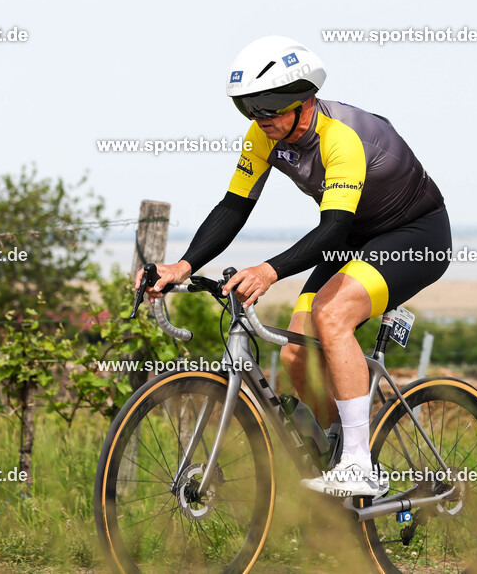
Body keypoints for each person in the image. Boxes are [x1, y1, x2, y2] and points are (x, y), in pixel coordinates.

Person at [135, 35, 450, 498]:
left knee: (331, 316)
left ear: (306, 102)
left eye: (270, 110)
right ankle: (342, 457)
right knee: (297, 354)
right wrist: (183, 265)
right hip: (354, 240)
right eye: (250, 111)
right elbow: (234, 206)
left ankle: (360, 464)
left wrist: (269, 270)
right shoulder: (264, 135)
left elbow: (335, 228)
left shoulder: (342, 138)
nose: (261, 122)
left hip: (414, 236)